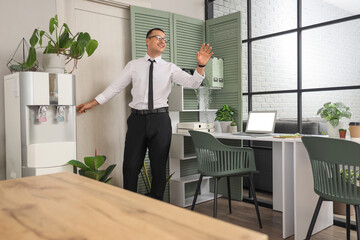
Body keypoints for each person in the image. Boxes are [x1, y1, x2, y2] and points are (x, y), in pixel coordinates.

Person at [76, 28, 213, 200]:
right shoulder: (133, 65)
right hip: (137, 120)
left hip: (160, 120)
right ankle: (130, 204)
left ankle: (155, 206)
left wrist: (201, 66)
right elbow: (114, 88)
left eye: (165, 39)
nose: (163, 41)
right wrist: (92, 103)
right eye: (158, 37)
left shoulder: (170, 68)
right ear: (147, 41)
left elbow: (193, 83)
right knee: (130, 166)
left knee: (158, 168)